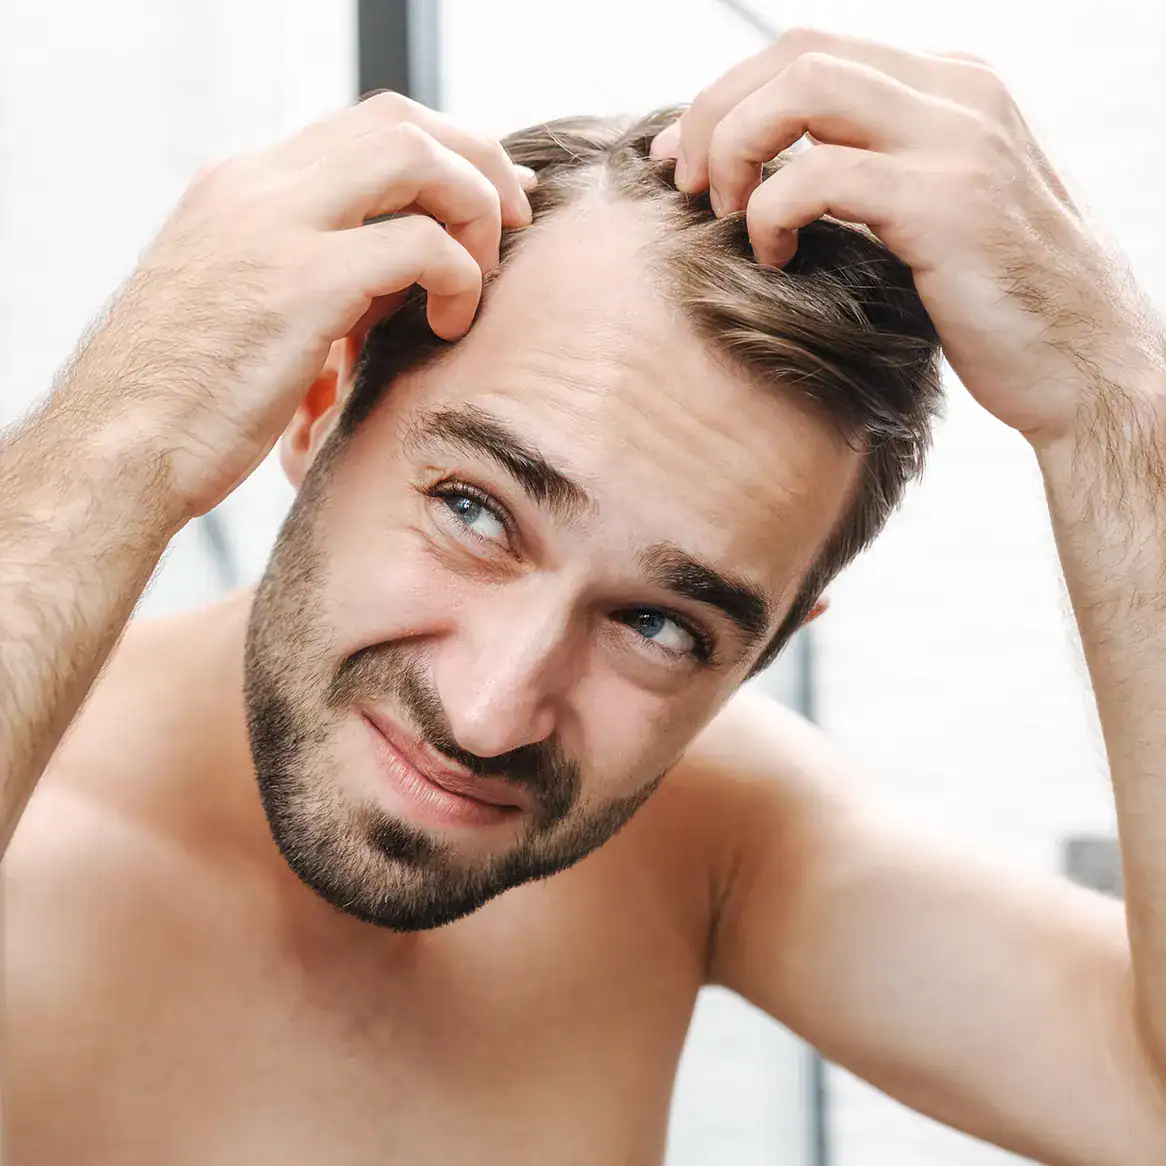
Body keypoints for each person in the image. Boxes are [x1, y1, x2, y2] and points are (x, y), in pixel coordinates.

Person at [2, 25, 1164, 1165]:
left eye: (659, 626)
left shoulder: (713, 831)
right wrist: (121, 436)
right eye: (473, 511)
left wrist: (1109, 400)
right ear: (317, 409)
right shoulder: (34, 837)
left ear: (757, 657)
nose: (487, 713)